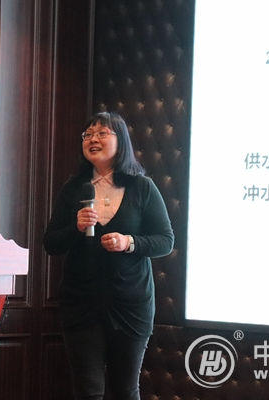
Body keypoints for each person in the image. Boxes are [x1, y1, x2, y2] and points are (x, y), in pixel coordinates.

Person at [43, 112, 174, 400]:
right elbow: (51, 243)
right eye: (88, 135)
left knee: (125, 390)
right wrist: (76, 228)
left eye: (102, 133)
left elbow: (165, 240)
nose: (93, 139)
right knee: (87, 390)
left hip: (130, 304)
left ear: (121, 141)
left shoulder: (142, 187)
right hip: (81, 303)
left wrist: (129, 242)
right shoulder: (74, 188)